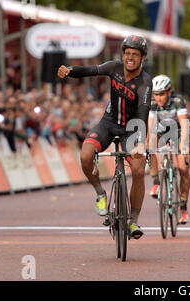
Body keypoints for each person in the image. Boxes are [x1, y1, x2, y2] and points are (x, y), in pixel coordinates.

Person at [57, 35, 152, 239]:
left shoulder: (145, 81)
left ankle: (134, 220)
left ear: (142, 57)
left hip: (132, 128)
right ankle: (100, 193)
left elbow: (143, 112)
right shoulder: (114, 67)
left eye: (135, 55)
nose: (130, 58)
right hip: (108, 123)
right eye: (127, 54)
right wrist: (70, 71)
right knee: (85, 155)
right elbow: (91, 71)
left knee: (137, 169)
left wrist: (141, 142)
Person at [147, 74, 190, 224]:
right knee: (149, 145)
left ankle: (184, 208)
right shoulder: (152, 102)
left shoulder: (178, 100)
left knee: (184, 169)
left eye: (162, 94)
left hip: (178, 132)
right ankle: (156, 182)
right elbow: (151, 126)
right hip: (160, 130)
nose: (159, 98)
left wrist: (183, 145)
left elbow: (184, 125)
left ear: (169, 92)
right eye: (156, 94)